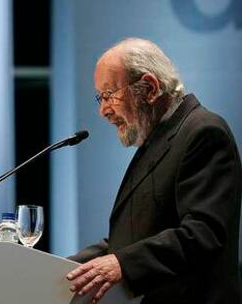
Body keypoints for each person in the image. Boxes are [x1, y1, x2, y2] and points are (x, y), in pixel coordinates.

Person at [66, 38, 242, 304]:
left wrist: (122, 264)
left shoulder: (203, 132)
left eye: (109, 94)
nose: (103, 110)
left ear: (149, 88)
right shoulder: (157, 140)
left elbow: (203, 234)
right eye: (100, 97)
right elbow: (128, 240)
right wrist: (62, 267)